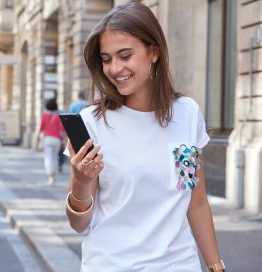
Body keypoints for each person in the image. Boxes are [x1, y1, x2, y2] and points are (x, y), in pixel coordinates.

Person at [64, 3, 225, 272]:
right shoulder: (93, 122)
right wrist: (81, 180)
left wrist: (216, 267)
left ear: (154, 52)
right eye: (106, 59)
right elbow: (79, 224)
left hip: (179, 266)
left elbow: (194, 203)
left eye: (125, 56)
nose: (115, 68)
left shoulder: (186, 114)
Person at [37, 98, 65, 185]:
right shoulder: (59, 115)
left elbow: (41, 128)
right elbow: (61, 130)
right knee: (55, 157)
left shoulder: (44, 115)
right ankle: (54, 175)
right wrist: (64, 140)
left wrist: (38, 137)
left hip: (47, 138)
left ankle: (50, 176)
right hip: (57, 139)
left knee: (48, 157)